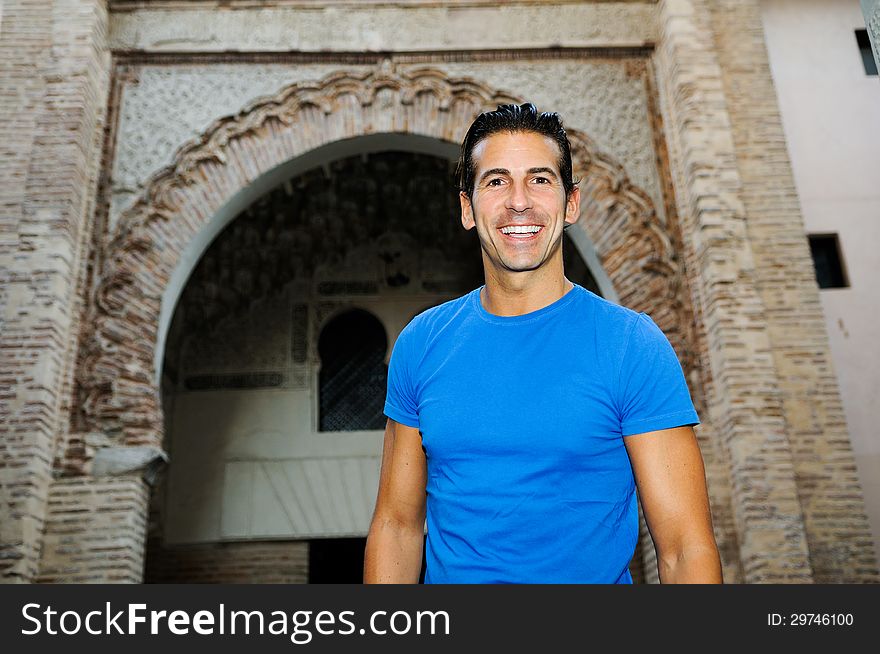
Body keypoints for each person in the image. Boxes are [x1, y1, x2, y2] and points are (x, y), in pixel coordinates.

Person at [363, 103, 722, 584]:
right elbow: (397, 526)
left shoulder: (631, 345)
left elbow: (684, 549)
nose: (518, 201)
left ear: (571, 203)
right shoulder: (422, 343)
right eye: (495, 181)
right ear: (467, 208)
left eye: (539, 179)